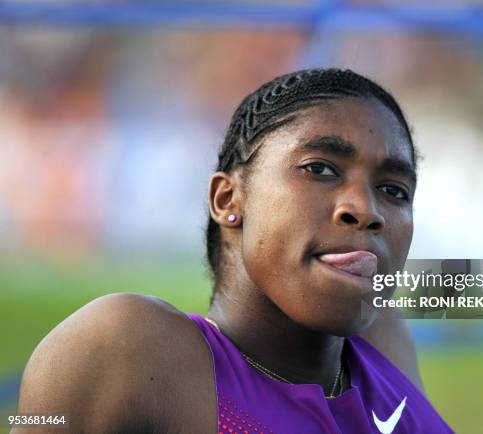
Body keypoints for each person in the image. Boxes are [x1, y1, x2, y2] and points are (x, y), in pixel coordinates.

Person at [14, 68, 453, 434]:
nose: (365, 209)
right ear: (228, 200)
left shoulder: (384, 339)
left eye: (394, 190)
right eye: (319, 169)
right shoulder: (127, 348)